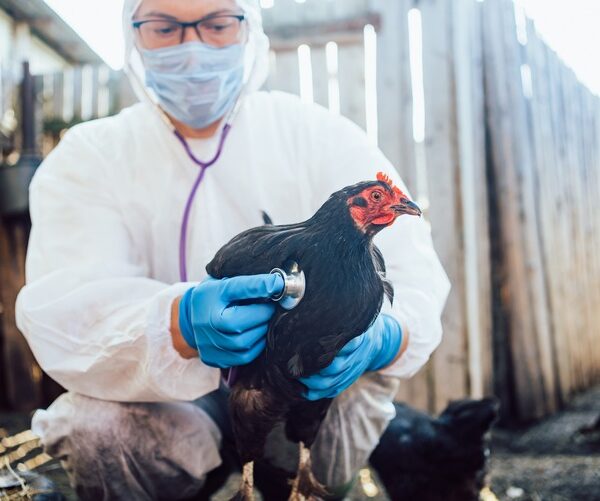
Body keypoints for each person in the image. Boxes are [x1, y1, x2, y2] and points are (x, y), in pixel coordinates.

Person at [16, 0, 450, 499]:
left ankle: (308, 482)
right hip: (161, 400)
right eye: (164, 26)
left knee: (349, 394)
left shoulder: (317, 134)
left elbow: (416, 278)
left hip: (302, 382)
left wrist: (381, 336)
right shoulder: (88, 157)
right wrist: (174, 323)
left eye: (217, 23)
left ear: (250, 28)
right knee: (96, 425)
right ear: (132, 33)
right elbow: (65, 305)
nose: (192, 46)